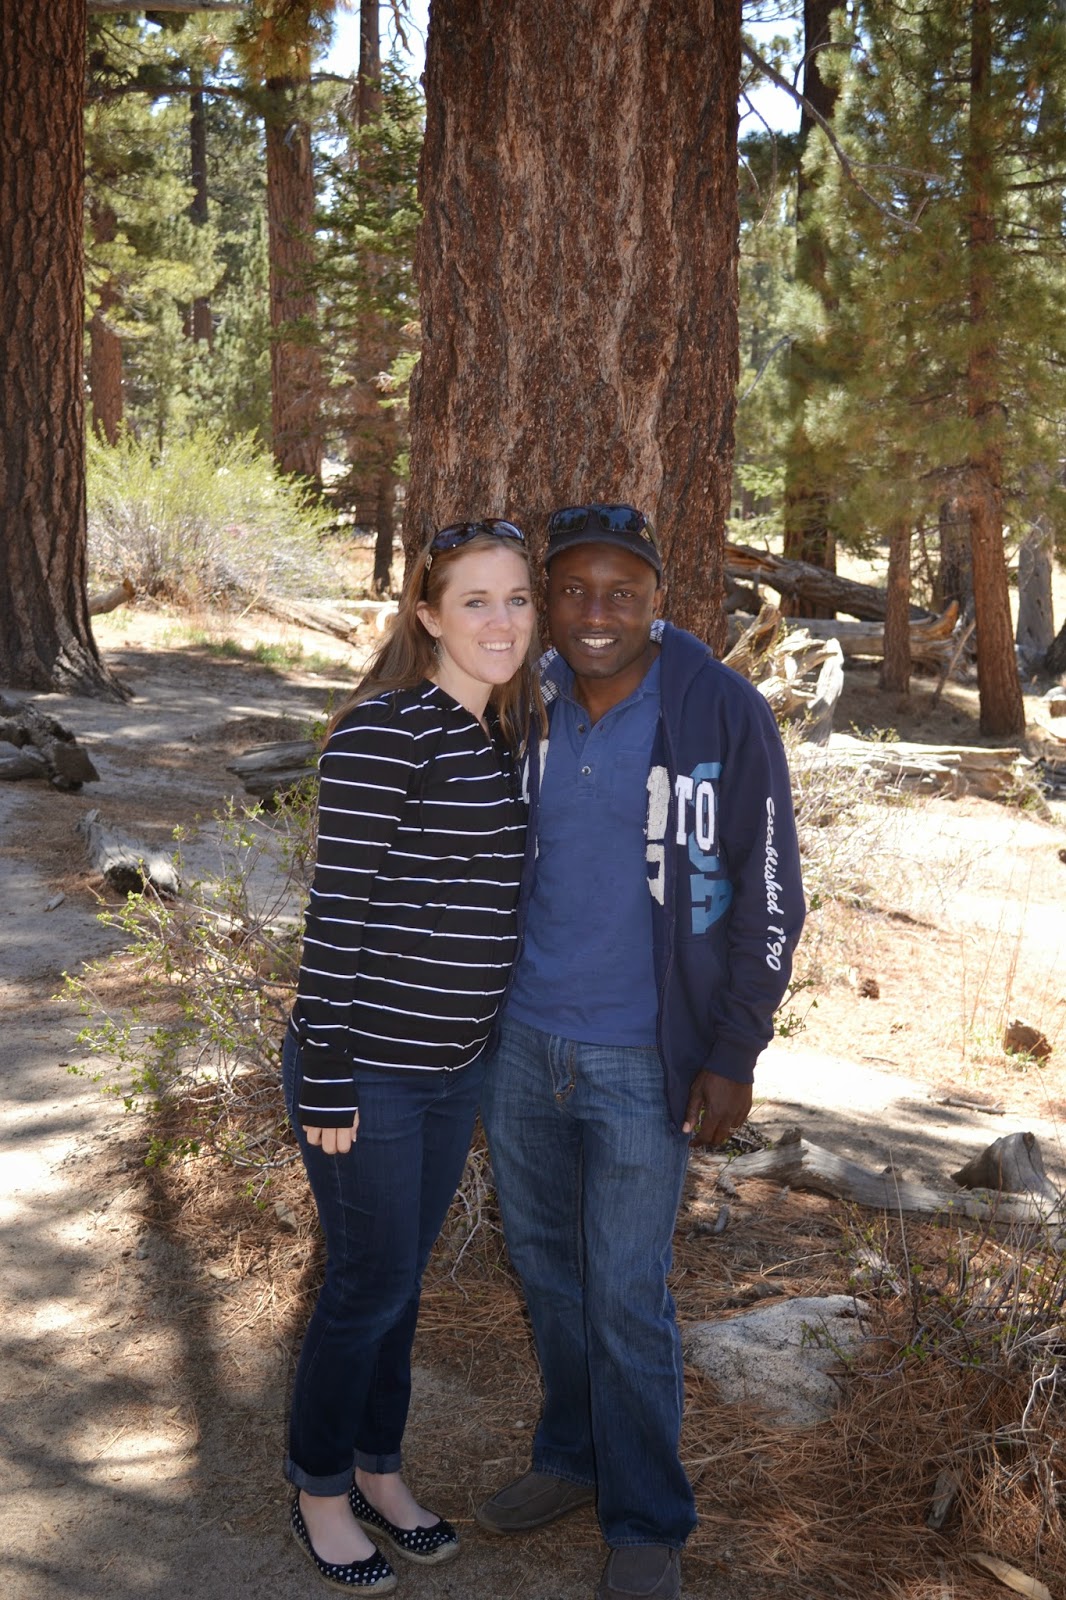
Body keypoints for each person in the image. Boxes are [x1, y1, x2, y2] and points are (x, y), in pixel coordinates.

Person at [477, 503, 805, 1600]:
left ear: (661, 596)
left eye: (622, 591)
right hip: (521, 1043)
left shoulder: (717, 709)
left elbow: (769, 888)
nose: (597, 612)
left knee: (624, 1292)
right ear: (546, 598)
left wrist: (735, 1048)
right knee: (547, 1274)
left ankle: (649, 1516)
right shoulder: (521, 698)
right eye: (573, 590)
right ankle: (571, 1457)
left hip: (644, 1057)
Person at [281, 518, 542, 1592]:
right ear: (428, 615)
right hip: (368, 1071)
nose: (500, 621)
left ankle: (378, 1470)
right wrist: (327, 1071)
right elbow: (334, 916)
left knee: (397, 1284)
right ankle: (319, 1490)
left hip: (451, 1070)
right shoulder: (387, 730)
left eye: (516, 598)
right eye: (474, 600)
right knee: (366, 1285)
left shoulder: (499, 736)